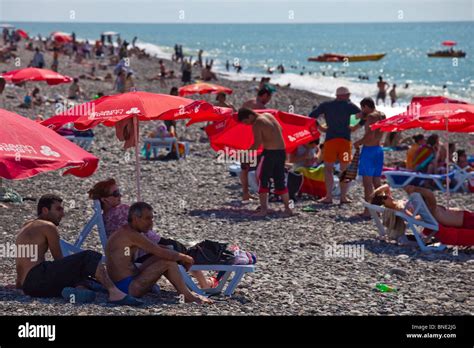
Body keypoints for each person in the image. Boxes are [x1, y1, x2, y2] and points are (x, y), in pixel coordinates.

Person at [88, 179, 216, 289]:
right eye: (115, 194)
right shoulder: (121, 210)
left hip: (135, 253)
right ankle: (204, 283)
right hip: (146, 249)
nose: (119, 196)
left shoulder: (106, 218)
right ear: (105, 199)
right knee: (181, 250)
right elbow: (142, 235)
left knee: (179, 249)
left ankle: (201, 281)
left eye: (119, 192)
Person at [15, 194, 141, 305]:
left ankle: (78, 290)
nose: (62, 214)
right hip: (38, 277)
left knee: (79, 270)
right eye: (58, 209)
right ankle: (114, 293)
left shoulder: (26, 226)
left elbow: (21, 261)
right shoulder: (48, 226)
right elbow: (59, 260)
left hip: (28, 285)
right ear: (45, 210)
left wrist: (19, 283)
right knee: (88, 256)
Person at [105, 202, 212, 303]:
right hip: (128, 288)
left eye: (152, 218)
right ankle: (187, 296)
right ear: (135, 218)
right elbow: (160, 252)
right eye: (147, 218)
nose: (151, 222)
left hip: (123, 283)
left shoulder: (127, 231)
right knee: (168, 262)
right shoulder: (131, 235)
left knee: (165, 256)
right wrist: (187, 258)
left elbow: (154, 248)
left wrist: (168, 251)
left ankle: (186, 293)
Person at [309, 86, 361, 204]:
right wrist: (356, 127)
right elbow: (364, 115)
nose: (349, 97)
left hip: (330, 141)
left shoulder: (326, 105)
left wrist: (320, 127)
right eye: (348, 95)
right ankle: (343, 197)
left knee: (328, 169)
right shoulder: (349, 106)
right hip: (345, 142)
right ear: (343, 96)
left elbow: (311, 116)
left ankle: (329, 197)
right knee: (344, 169)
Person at [237, 108, 293, 217]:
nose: (247, 124)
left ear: (250, 116)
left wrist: (245, 154)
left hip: (270, 154)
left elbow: (257, 144)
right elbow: (280, 130)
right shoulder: (269, 116)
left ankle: (264, 210)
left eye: (245, 122)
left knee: (263, 179)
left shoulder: (257, 123)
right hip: (281, 152)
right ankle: (288, 209)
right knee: (279, 180)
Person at [371, 184, 474, 230]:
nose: (388, 195)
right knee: (428, 194)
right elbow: (411, 218)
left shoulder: (396, 202)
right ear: (384, 203)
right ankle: (417, 189)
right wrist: (422, 217)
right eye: (385, 197)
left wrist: (375, 194)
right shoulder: (399, 208)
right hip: (456, 219)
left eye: (386, 195)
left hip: (457, 216)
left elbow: (387, 186)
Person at [352, 97, 386, 217]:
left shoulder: (371, 117)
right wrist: (360, 116)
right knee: (377, 182)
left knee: (367, 183)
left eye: (363, 108)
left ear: (366, 106)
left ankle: (368, 211)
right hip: (379, 150)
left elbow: (370, 135)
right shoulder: (382, 115)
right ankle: (378, 210)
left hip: (369, 151)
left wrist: (358, 142)